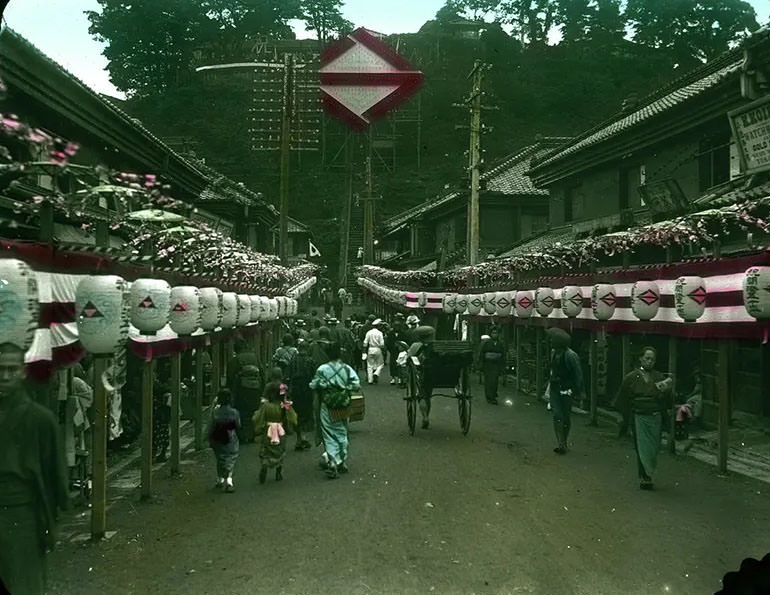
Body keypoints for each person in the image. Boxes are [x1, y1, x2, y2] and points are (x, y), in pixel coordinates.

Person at [0, 343, 69, 595]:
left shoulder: (40, 419)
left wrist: (50, 520)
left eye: (11, 369)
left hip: (22, 514)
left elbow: (55, 474)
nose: (4, 376)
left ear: (22, 371)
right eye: (0, 369)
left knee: (23, 583)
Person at [615, 346, 673, 490]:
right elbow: (622, 398)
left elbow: (667, 399)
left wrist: (666, 390)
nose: (649, 361)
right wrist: (622, 416)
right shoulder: (631, 377)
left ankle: (648, 473)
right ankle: (645, 477)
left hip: (655, 416)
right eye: (647, 358)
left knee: (653, 448)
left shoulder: (659, 377)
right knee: (641, 448)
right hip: (639, 416)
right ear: (640, 358)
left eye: (652, 359)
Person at [309, 342, 361, 479]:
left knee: (329, 434)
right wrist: (344, 389)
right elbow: (356, 385)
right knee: (342, 431)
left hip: (327, 405)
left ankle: (333, 462)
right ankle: (341, 461)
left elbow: (314, 385)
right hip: (343, 405)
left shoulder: (322, 369)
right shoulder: (347, 369)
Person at [546, 327, 584, 455]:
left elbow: (578, 374)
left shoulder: (570, 356)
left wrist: (580, 390)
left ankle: (564, 440)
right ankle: (560, 442)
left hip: (567, 388)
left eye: (552, 340)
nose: (550, 342)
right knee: (557, 414)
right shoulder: (553, 353)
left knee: (566, 416)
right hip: (555, 388)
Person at [253, 376, 298, 484]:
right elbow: (293, 418)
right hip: (280, 431)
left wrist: (260, 427)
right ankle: (278, 471)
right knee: (280, 450)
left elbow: (257, 418)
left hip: (268, 430)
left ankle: (265, 464)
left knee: (266, 450)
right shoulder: (285, 406)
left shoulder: (266, 406)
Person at [228, 341, 263, 443]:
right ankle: (251, 434)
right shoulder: (255, 358)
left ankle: (243, 435)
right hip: (256, 388)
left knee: (242, 412)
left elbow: (230, 377)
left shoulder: (235, 360)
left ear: (236, 349)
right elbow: (262, 373)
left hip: (241, 389)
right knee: (252, 412)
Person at [207, 388, 241, 493]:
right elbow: (238, 426)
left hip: (217, 438)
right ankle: (229, 482)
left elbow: (210, 426)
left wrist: (208, 438)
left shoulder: (215, 412)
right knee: (230, 459)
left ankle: (220, 479)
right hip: (231, 438)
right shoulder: (234, 412)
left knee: (220, 459)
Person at [288, 341, 315, 451]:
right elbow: (314, 376)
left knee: (297, 414)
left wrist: (286, 391)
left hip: (296, 391)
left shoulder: (293, 360)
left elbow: (288, 376)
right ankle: (303, 437)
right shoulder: (311, 361)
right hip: (307, 391)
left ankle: (299, 438)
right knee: (307, 414)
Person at [478, 327, 506, 405]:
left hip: (496, 365)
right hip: (488, 364)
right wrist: (481, 365)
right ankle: (489, 397)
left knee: (495, 381)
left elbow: (503, 356)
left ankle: (493, 395)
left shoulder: (500, 344)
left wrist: (502, 367)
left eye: (496, 333)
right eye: (493, 333)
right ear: (491, 334)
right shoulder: (486, 343)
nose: (495, 335)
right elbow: (482, 354)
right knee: (488, 381)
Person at [152, 359, 173, 463]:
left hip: (161, 411)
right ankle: (156, 454)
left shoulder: (158, 380)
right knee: (158, 433)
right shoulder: (155, 381)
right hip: (159, 411)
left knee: (160, 433)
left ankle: (159, 454)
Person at [363, 319, 386, 384]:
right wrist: (383, 350)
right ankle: (376, 373)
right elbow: (382, 344)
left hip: (370, 349)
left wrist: (364, 351)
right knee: (380, 364)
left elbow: (365, 342)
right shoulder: (380, 333)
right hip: (378, 349)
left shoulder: (369, 332)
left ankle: (370, 380)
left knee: (370, 365)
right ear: (378, 326)